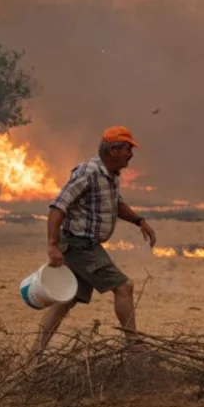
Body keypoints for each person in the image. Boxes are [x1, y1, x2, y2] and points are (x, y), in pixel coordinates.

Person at [34, 125, 157, 352]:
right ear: (113, 150)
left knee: (66, 298)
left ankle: (34, 354)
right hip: (79, 245)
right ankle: (134, 348)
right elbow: (58, 207)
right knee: (124, 287)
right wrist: (52, 245)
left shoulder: (111, 175)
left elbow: (116, 204)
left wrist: (140, 221)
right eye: (128, 149)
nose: (131, 155)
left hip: (86, 246)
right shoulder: (88, 173)